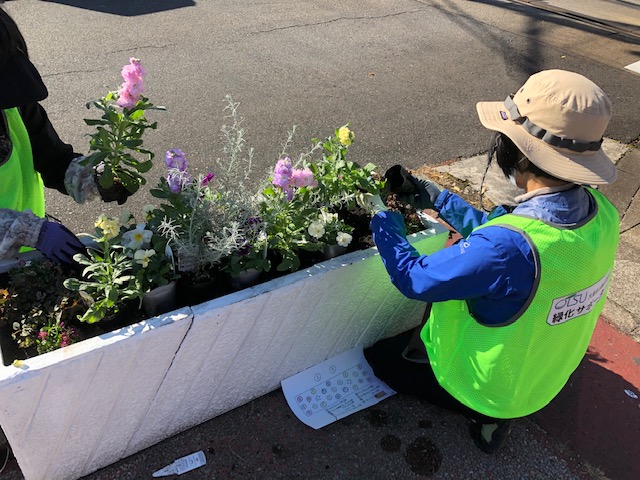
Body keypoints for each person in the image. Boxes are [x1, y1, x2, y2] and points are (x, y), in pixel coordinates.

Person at [360, 69, 620, 454]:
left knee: (378, 359)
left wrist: (382, 218)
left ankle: (485, 414)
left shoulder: (506, 249)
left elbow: (416, 278)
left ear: (518, 152)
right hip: (545, 376)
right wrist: (439, 199)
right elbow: (509, 239)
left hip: (487, 386)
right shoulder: (602, 213)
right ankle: (497, 421)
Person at [0, 7, 127, 265]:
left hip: (21, 263)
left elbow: (54, 160)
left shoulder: (14, 102)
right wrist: (32, 232)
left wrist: (95, 177)